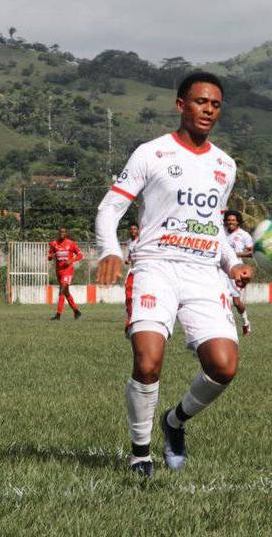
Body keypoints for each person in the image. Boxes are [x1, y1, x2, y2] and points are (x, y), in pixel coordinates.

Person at [95, 72, 253, 478]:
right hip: (155, 268)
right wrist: (111, 250)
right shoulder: (151, 153)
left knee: (224, 366)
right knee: (148, 363)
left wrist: (231, 261)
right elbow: (110, 208)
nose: (208, 110)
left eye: (215, 105)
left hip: (203, 273)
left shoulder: (224, 165)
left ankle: (174, 422)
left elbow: (212, 224)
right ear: (180, 104)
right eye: (201, 102)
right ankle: (140, 453)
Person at [224, 210, 253, 335]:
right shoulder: (220, 232)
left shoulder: (244, 235)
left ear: (238, 222)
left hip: (235, 270)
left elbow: (251, 252)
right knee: (221, 298)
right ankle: (225, 325)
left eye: (233, 220)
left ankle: (245, 322)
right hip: (218, 269)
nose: (230, 222)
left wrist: (234, 254)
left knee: (236, 302)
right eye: (228, 220)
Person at [48, 227, 83, 320]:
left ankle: (58, 315)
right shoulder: (54, 244)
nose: (62, 233)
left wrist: (71, 260)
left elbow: (80, 255)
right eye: (60, 232)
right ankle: (76, 311)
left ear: (66, 233)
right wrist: (51, 256)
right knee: (66, 292)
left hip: (68, 270)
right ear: (58, 233)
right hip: (59, 271)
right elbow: (49, 256)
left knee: (62, 290)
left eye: (64, 232)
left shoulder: (71, 243)